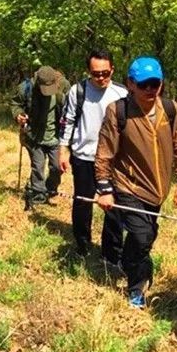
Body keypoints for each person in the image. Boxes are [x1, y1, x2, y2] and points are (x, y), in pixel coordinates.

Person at [94, 56, 177, 309]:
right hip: (127, 185)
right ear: (131, 83)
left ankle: (131, 262)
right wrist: (104, 188)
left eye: (155, 84)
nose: (150, 90)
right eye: (143, 85)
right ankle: (137, 288)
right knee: (141, 236)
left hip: (157, 189)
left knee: (147, 235)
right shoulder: (118, 111)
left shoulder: (170, 110)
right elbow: (105, 151)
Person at [59, 50, 128, 257]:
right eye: (95, 73)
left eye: (105, 73)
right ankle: (82, 245)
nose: (100, 78)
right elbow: (68, 121)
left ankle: (111, 253)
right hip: (84, 157)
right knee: (83, 203)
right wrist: (63, 150)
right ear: (88, 71)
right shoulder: (77, 91)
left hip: (113, 160)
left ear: (112, 70)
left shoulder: (122, 93)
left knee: (114, 206)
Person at [10, 65, 69, 209]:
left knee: (56, 168)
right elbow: (15, 103)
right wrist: (18, 115)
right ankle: (38, 195)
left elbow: (71, 107)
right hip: (35, 136)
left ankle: (50, 189)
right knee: (38, 167)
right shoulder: (26, 87)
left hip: (56, 136)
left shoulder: (64, 86)